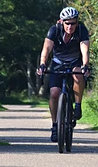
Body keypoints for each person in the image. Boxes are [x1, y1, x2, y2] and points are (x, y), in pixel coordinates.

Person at [36, 7, 90, 142]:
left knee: (78, 75)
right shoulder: (54, 30)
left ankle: (77, 106)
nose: (70, 26)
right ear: (61, 22)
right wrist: (43, 63)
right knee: (54, 93)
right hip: (58, 62)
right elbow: (46, 49)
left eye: (73, 23)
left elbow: (85, 49)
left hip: (74, 61)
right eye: (67, 23)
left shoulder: (81, 30)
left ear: (77, 22)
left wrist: (85, 65)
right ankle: (55, 125)